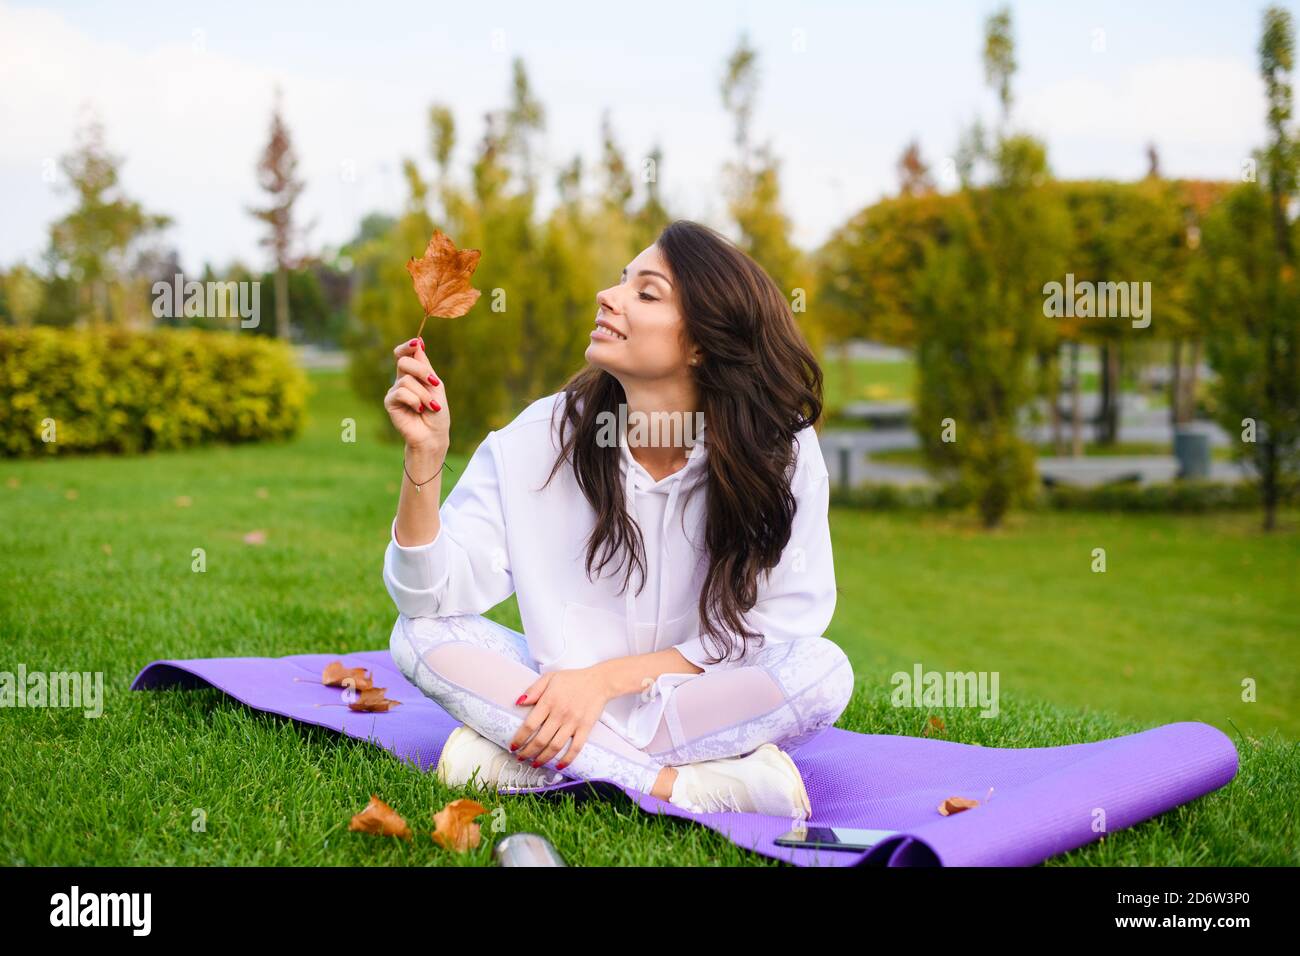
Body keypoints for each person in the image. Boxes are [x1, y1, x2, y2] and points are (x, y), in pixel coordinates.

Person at [383, 219, 854, 820]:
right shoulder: (539, 438)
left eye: (646, 292)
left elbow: (789, 617)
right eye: (620, 280)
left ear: (703, 342)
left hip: (696, 701)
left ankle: (534, 765)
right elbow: (430, 596)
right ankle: (676, 788)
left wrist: (604, 681)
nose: (610, 296)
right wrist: (424, 458)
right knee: (418, 636)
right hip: (553, 696)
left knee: (823, 671)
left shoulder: (777, 452)